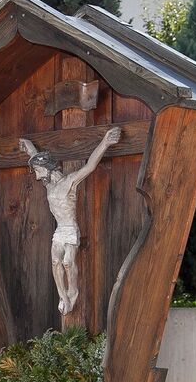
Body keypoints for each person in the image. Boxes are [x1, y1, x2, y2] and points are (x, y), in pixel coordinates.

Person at [19, 126, 122, 315]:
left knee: (67, 262)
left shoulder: (69, 182)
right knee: (55, 262)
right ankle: (63, 296)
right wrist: (29, 146)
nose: (36, 174)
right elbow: (37, 156)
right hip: (59, 231)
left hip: (70, 229)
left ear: (47, 168)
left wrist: (105, 142)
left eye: (37, 170)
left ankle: (72, 290)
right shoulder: (49, 185)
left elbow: (90, 166)